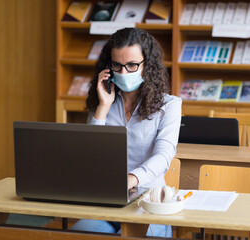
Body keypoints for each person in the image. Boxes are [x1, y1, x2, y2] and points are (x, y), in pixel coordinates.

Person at [70, 28, 182, 237]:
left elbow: (164, 155)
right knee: (78, 234)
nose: (123, 73)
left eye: (132, 65)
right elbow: (90, 154)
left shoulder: (169, 105)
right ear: (108, 66)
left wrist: (131, 178)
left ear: (147, 65)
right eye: (117, 66)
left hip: (150, 203)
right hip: (106, 204)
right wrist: (103, 107)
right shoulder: (102, 102)